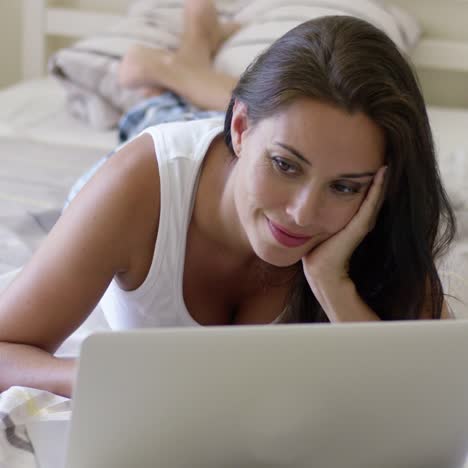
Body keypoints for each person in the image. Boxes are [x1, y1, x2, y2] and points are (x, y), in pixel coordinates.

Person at [0, 7, 456, 399]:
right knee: (158, 113)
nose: (302, 213)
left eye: (343, 187)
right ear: (239, 129)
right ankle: (171, 64)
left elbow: (437, 397)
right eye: (285, 166)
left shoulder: (382, 215)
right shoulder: (136, 183)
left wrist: (334, 286)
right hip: (174, 167)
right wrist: (99, 380)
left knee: (297, 130)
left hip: (238, 152)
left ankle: (197, 60)